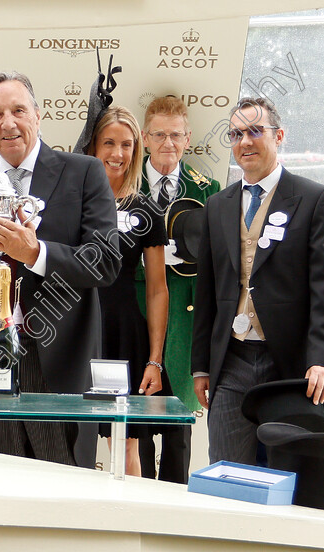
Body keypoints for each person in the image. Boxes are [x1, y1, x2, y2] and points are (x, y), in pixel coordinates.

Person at [0, 71, 120, 469]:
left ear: (38, 116)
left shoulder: (84, 173)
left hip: (59, 366)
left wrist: (35, 252)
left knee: (64, 491)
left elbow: (105, 263)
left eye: (18, 110)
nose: (8, 122)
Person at [191, 97, 324, 465]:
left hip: (290, 365)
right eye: (236, 134)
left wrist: (323, 358)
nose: (245, 141)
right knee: (226, 475)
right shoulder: (217, 205)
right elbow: (207, 291)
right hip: (232, 360)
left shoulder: (315, 199)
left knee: (289, 478)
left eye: (255, 131)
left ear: (279, 136)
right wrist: (202, 366)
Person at [79, 106, 170, 476]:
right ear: (93, 146)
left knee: (128, 443)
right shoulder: (73, 204)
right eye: (109, 143)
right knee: (74, 437)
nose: (118, 154)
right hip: (77, 334)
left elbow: (158, 290)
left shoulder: (145, 210)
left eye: (127, 145)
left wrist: (154, 359)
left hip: (123, 335)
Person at [135, 95, 220, 483]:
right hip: (138, 306)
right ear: (145, 138)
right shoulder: (124, 182)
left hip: (185, 312)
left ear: (188, 139)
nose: (168, 143)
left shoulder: (209, 189)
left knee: (179, 418)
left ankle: (173, 496)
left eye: (176, 135)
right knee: (139, 416)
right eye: (160, 134)